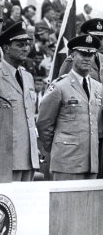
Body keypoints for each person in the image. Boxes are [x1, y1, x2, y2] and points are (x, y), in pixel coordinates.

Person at [0, 22, 40, 181]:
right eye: (20, 45)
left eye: (27, 44)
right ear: (6, 48)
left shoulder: (28, 77)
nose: (25, 49)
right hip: (5, 157)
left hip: (29, 157)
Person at [37, 34, 102, 180]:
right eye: (83, 53)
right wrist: (58, 147)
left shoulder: (98, 88)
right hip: (66, 161)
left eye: (91, 54)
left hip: (91, 161)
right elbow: (44, 123)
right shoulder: (60, 86)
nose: (87, 58)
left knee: (88, 203)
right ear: (72, 55)